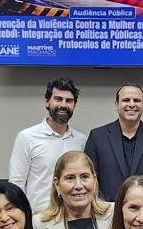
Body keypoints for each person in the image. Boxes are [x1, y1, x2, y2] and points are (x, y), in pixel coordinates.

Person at [84, 84, 143, 204]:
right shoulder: (97, 137)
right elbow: (88, 179)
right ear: (116, 105)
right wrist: (107, 208)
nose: (132, 104)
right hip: (105, 213)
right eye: (126, 100)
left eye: (137, 100)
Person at [10, 78, 87, 212]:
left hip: (74, 216)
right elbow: (16, 184)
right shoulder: (27, 137)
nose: (63, 105)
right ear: (47, 102)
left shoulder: (81, 140)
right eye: (58, 99)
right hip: (39, 218)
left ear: (74, 105)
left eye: (69, 101)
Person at [34, 150, 114, 229]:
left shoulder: (115, 214)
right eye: (70, 178)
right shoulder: (39, 224)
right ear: (57, 185)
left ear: (95, 180)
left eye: (85, 177)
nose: (78, 186)